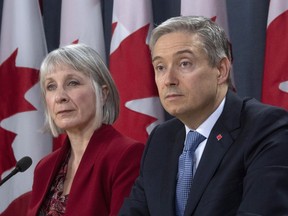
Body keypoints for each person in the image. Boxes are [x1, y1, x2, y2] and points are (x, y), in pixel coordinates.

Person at [119, 16, 288, 216]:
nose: (168, 80)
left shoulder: (267, 128)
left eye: (184, 63)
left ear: (221, 70)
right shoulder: (160, 138)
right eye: (160, 67)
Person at [27, 43, 144, 216]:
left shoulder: (126, 155)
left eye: (72, 83)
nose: (60, 97)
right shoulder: (44, 167)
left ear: (103, 94)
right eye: (51, 86)